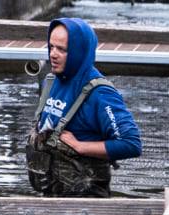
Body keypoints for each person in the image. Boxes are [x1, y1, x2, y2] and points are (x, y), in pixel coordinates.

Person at [25, 17, 141, 197]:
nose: (53, 54)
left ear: (79, 52)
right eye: (51, 47)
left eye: (62, 49)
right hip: (50, 201)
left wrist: (80, 146)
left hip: (85, 210)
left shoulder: (101, 93)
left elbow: (131, 144)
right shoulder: (51, 81)